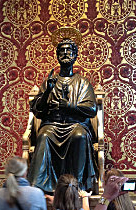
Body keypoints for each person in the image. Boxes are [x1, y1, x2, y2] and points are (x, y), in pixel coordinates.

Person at [28, 35, 98, 193]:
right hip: (52, 126)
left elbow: (91, 109)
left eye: (69, 50)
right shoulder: (49, 82)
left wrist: (69, 106)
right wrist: (47, 93)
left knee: (79, 136)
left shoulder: (83, 83)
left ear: (75, 55)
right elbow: (38, 112)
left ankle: (76, 186)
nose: (65, 53)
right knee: (44, 136)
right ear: (57, 55)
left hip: (76, 125)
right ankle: (38, 188)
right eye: (62, 51)